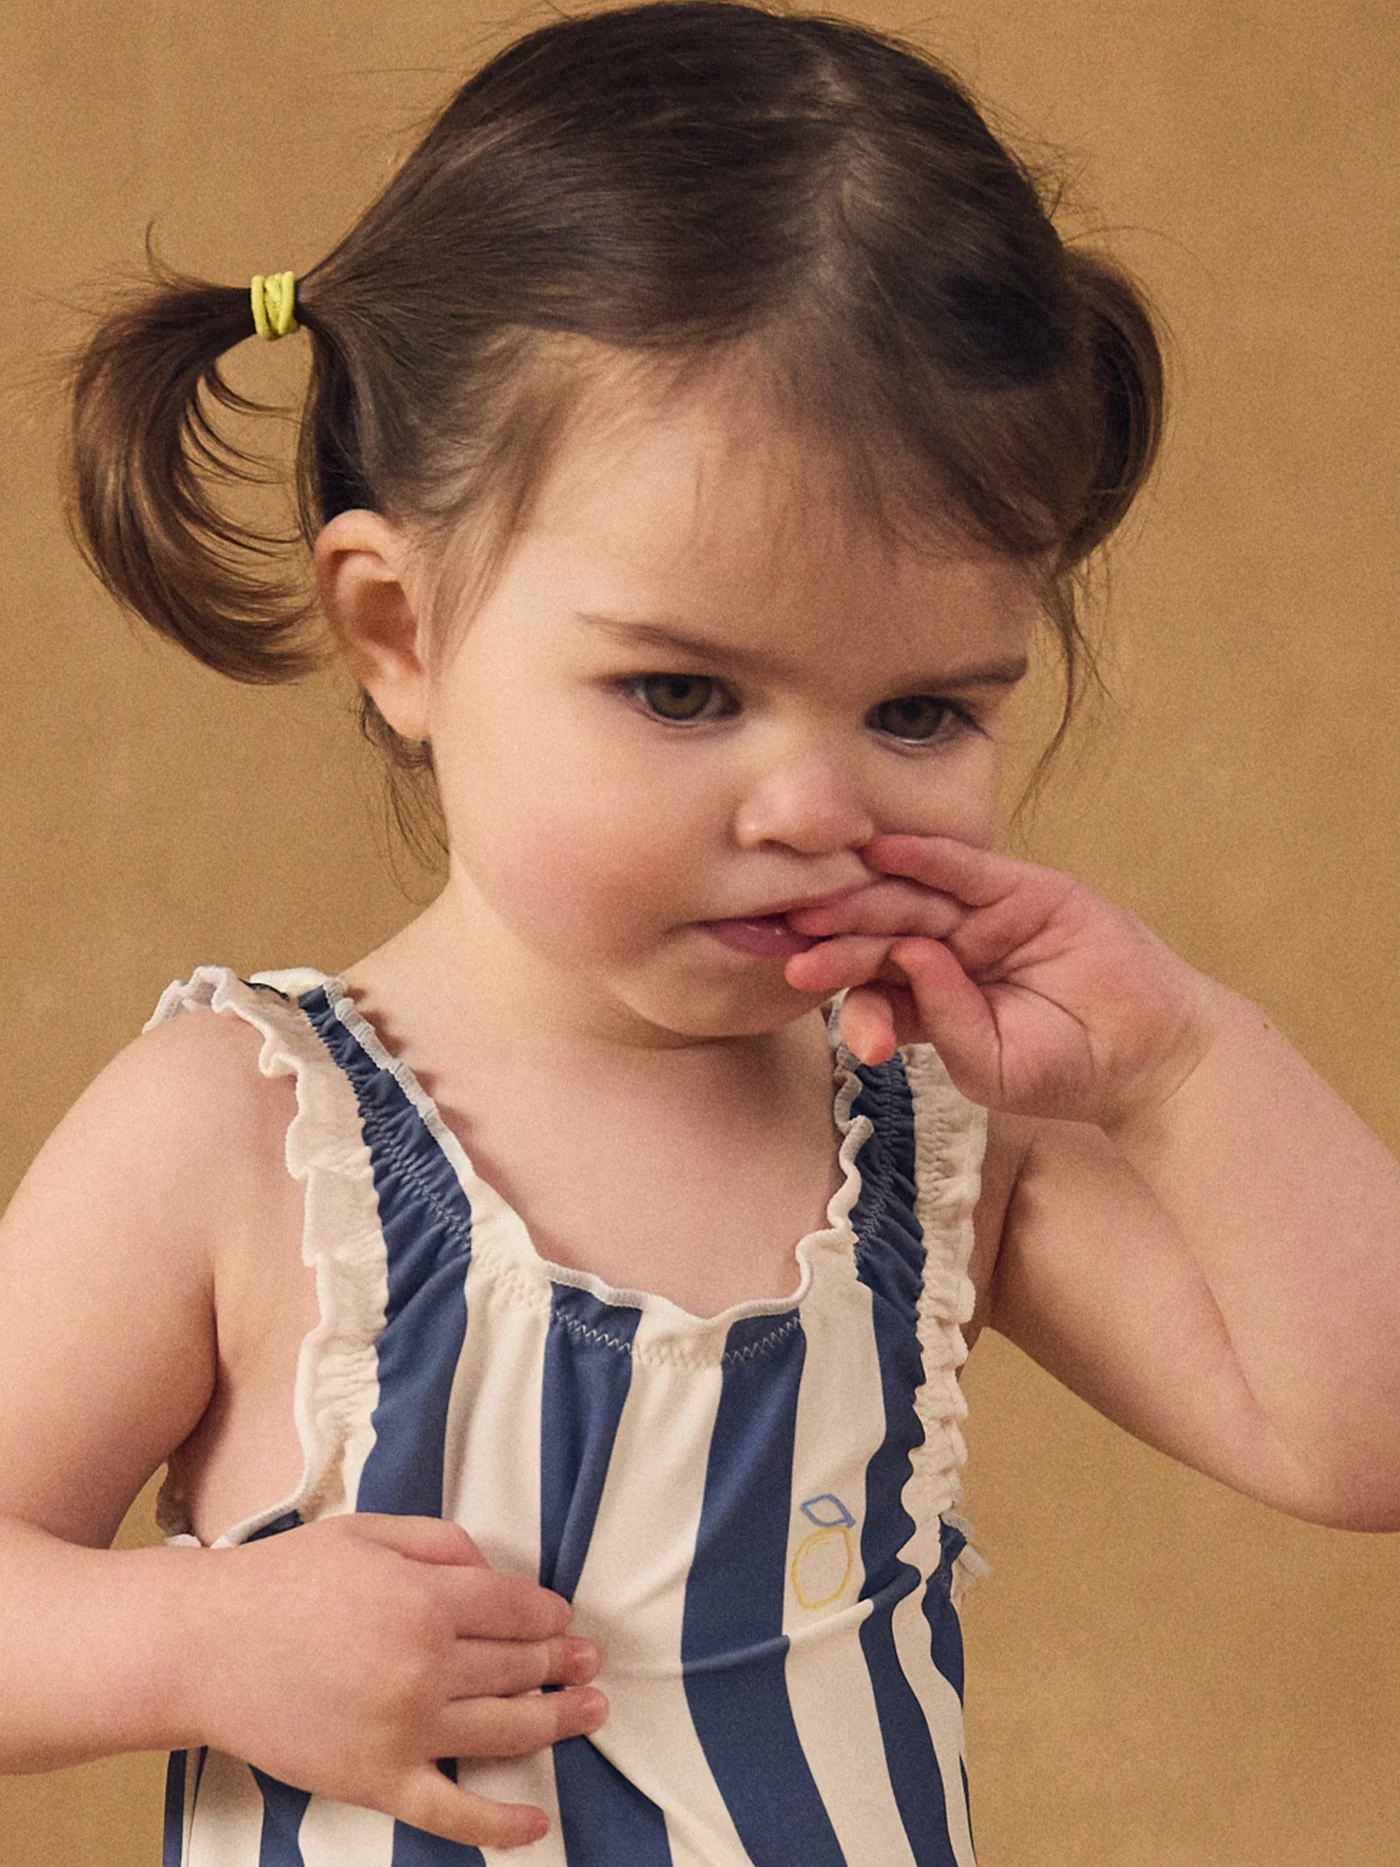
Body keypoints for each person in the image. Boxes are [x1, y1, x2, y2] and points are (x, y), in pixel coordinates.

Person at [2, 2, 1397, 1862]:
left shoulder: (934, 1134)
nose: (815, 806)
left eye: (921, 711)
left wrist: (1188, 1070)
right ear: (400, 631)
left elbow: (1361, 1440)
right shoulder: (242, 1134)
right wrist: (191, 1641)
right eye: (682, 691)